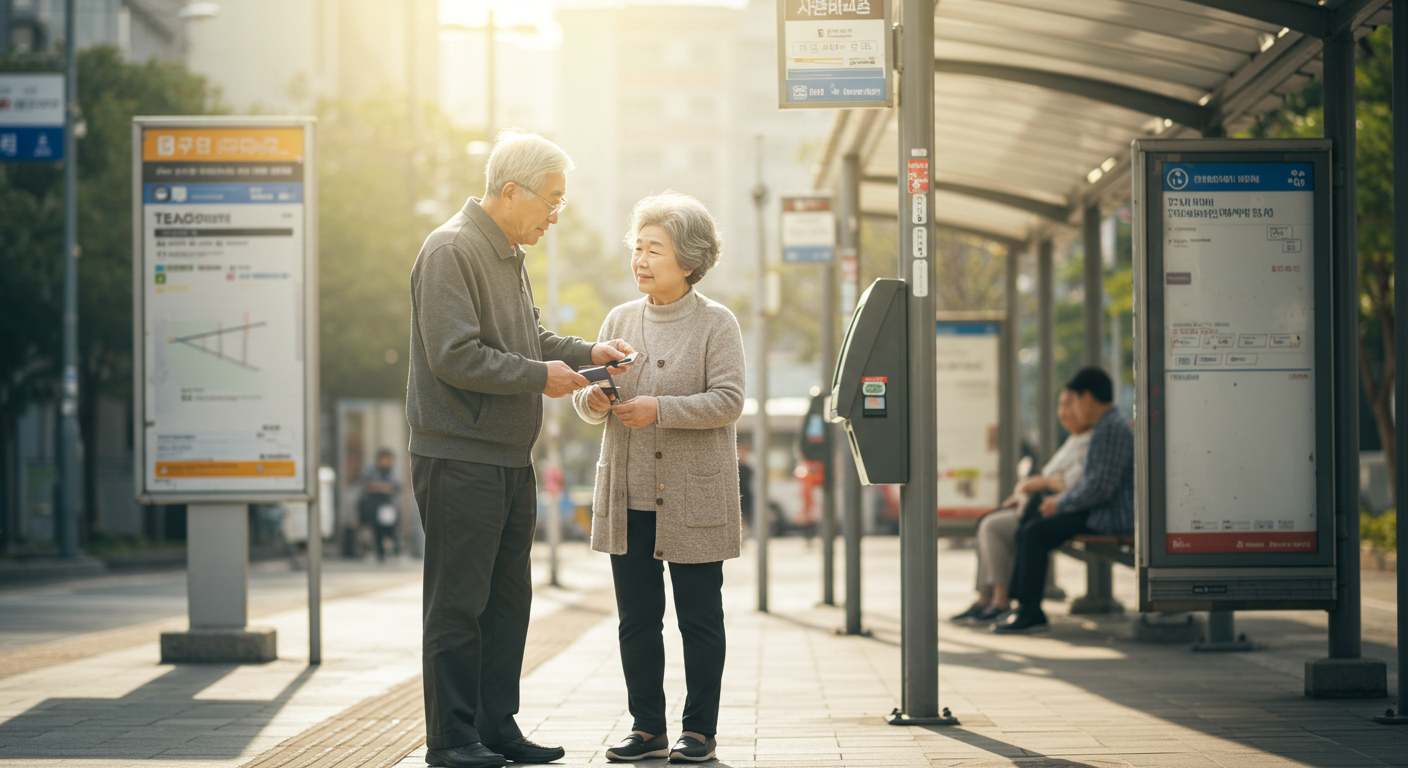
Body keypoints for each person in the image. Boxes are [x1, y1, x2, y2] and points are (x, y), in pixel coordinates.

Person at [406, 129, 636, 768]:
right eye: (551, 200)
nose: (556, 215)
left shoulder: (507, 251)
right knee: (458, 604)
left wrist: (589, 355)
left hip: (507, 456)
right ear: (511, 192)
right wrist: (543, 378)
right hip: (458, 456)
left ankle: (494, 728)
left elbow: (527, 337)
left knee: (507, 603)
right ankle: (451, 741)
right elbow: (455, 355)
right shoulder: (451, 249)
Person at [572, 192, 744, 764]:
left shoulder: (717, 323)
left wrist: (658, 410)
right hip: (629, 494)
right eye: (637, 248)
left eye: (654, 250)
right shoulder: (619, 318)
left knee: (699, 618)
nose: (641, 260)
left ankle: (699, 730)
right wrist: (594, 399)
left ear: (690, 259)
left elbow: (729, 400)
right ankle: (647, 727)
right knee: (637, 621)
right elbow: (586, 401)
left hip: (693, 497)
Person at [993, 367, 1134, 635]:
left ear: (1087, 398)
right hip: (1098, 511)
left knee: (1035, 533)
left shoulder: (1111, 429)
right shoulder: (1108, 426)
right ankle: (1023, 607)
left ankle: (1030, 611)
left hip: (1109, 516)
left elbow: (1099, 488)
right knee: (1030, 529)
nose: (1073, 409)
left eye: (1074, 401)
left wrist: (1060, 504)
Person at [951, 389, 1091, 624]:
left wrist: (1038, 484)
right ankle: (985, 598)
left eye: (1070, 405)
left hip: (1055, 510)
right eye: (1061, 406)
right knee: (987, 522)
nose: (1063, 412)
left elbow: (1064, 483)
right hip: (1041, 507)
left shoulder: (1090, 441)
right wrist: (1030, 488)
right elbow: (1046, 480)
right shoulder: (1073, 439)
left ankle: (1000, 600)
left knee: (993, 527)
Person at [357, 448, 403, 562]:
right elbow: (366, 485)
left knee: (391, 528)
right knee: (377, 529)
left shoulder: (393, 471)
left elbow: (396, 486)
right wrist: (383, 487)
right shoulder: (370, 470)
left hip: (389, 505)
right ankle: (380, 552)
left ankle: (395, 549)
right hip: (374, 505)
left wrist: (380, 487)